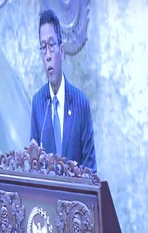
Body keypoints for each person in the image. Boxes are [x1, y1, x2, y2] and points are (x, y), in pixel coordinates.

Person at [29, 9, 96, 172]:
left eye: (51, 45)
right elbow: (34, 169)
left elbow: (91, 170)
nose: (48, 55)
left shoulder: (81, 103)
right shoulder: (38, 103)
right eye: (43, 47)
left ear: (62, 51)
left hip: (76, 197)